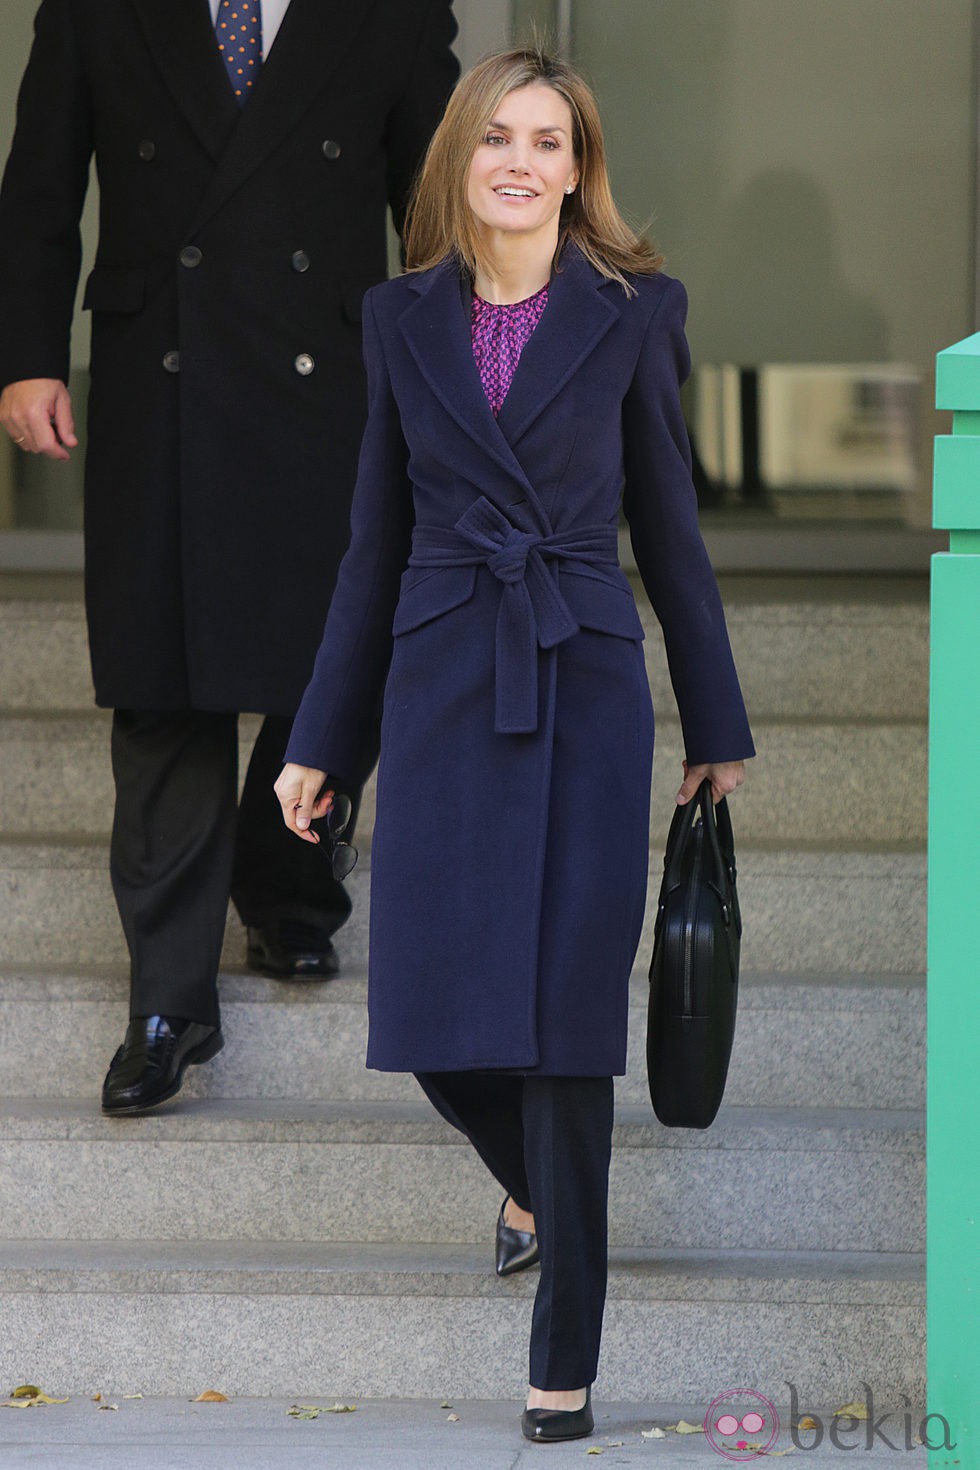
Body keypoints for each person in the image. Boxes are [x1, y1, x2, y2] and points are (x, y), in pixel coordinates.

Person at [275, 47, 754, 1443]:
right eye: (500, 137)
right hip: (438, 685)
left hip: (584, 687)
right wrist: (323, 744)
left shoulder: (634, 312)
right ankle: (535, 1184)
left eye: (551, 141)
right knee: (430, 1017)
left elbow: (671, 531)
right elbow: (374, 549)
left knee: (563, 1036)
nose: (524, 163)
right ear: (461, 163)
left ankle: (564, 1364)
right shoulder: (398, 317)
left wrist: (714, 719)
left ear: (579, 168)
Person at [0, 0, 458, 1115]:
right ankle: (165, 1004)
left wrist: (469, 366)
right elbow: (40, 188)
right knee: (164, 680)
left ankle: (290, 883)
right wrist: (24, 355)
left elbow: (434, 205)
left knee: (329, 655)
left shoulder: (393, 10)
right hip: (161, 374)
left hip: (330, 378)